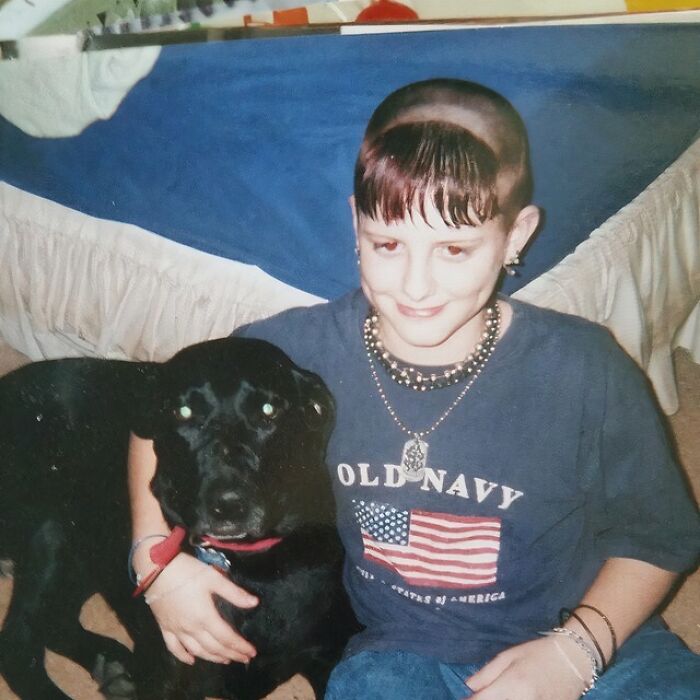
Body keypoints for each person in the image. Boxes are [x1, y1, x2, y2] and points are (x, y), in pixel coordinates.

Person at [128, 78, 700, 699]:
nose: (416, 285)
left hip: (588, 639)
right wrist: (154, 558)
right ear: (356, 222)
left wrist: (574, 652)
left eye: (454, 248)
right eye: (388, 244)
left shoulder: (584, 367)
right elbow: (156, 412)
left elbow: (660, 537)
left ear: (515, 236)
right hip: (404, 655)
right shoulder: (293, 351)